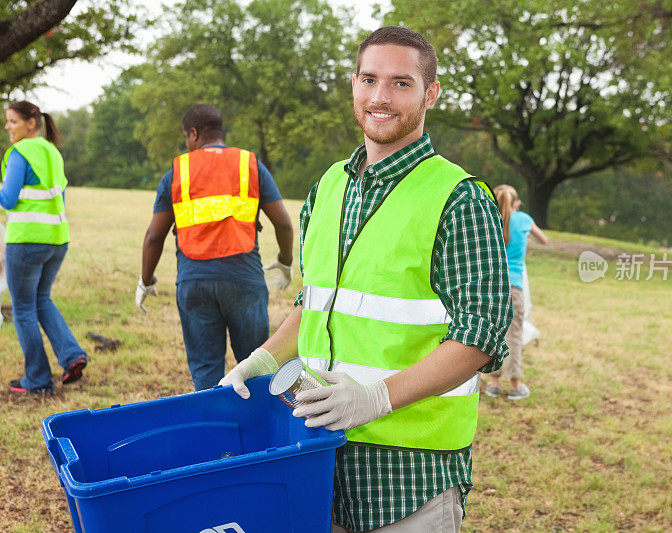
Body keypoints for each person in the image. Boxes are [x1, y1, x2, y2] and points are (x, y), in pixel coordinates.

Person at [220, 26, 512, 532]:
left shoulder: (460, 199)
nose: (380, 97)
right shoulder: (329, 186)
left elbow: (481, 339)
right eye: (369, 79)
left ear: (430, 94)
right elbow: (315, 302)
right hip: (316, 456)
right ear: (353, 84)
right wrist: (262, 360)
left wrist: (374, 398)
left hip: (409, 476)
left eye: (401, 83)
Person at [138, 104, 293, 391]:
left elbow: (154, 237)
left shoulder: (177, 171)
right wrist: (285, 261)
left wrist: (145, 280)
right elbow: (283, 223)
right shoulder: (250, 165)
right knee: (256, 370)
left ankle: (214, 430)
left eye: (186, 136)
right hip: (245, 282)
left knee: (206, 375)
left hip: (194, 284)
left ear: (194, 134)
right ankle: (259, 433)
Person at [1, 100, 87, 395]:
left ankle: (37, 380)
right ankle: (72, 356)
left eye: (12, 121)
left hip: (26, 240)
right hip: (57, 240)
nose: (7, 127)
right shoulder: (52, 152)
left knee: (23, 308)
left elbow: (9, 199)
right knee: (41, 299)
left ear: (31, 123)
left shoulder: (20, 153)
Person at [485, 184, 547, 400]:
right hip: (514, 288)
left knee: (495, 333)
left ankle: (493, 383)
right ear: (517, 203)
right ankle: (515, 386)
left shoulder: (491, 218)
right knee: (514, 335)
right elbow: (544, 239)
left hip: (492, 287)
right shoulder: (523, 219)